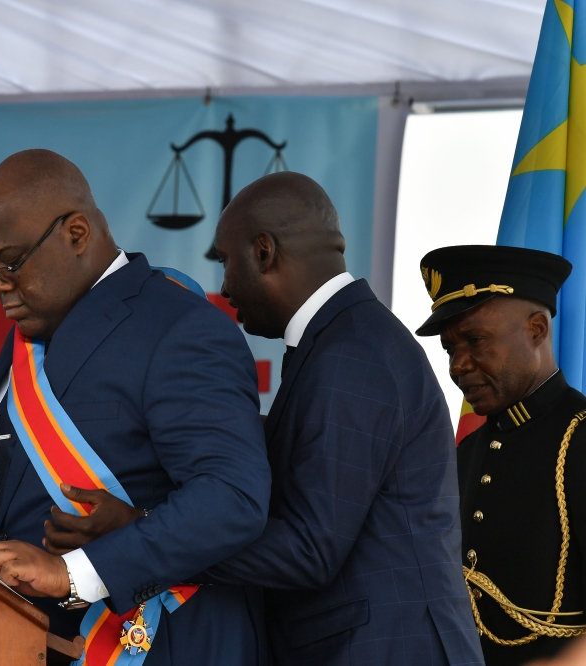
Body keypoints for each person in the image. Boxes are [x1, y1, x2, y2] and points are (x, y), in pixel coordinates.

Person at [40, 172, 484, 665]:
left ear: (265, 253)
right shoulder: (337, 343)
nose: (225, 286)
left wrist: (141, 527)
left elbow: (309, 551)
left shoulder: (353, 353)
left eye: (227, 262)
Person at [0, 149, 273, 664]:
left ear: (76, 234)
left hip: (160, 644)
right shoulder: (27, 340)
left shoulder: (179, 327)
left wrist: (73, 574)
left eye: (9, 262)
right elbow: (6, 517)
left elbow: (231, 496)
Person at [415, 245, 586, 666]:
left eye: (475, 340)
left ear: (537, 329)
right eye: (450, 349)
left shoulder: (580, 437)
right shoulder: (467, 452)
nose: (458, 365)